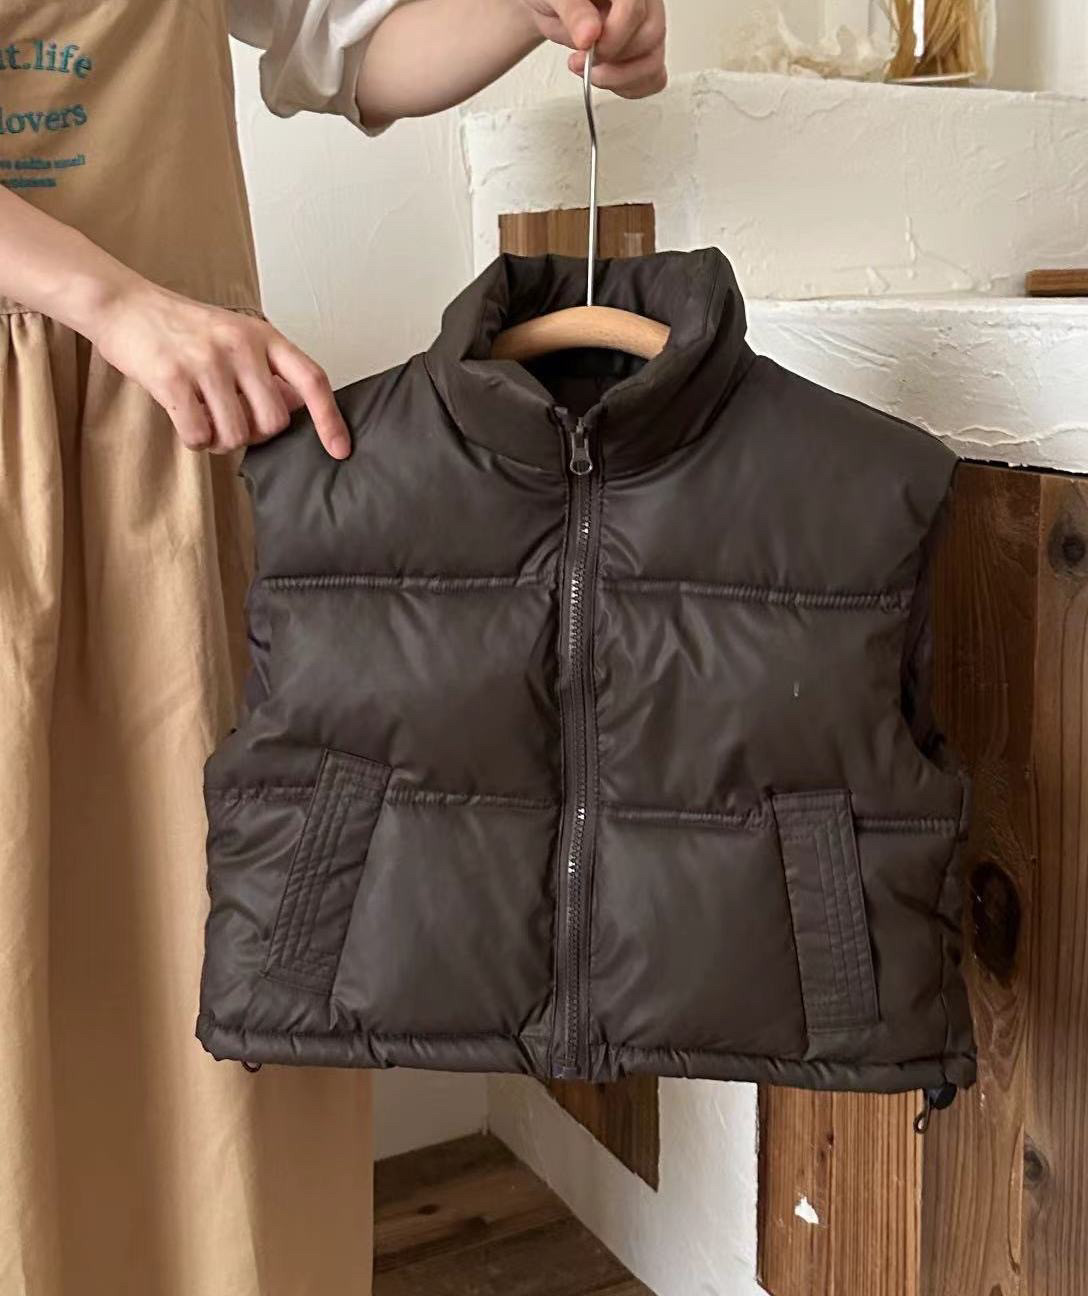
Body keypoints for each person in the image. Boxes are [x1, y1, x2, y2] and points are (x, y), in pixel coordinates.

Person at [0, 3, 666, 1293]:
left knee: (220, 943)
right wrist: (114, 301)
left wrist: (525, 10)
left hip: (169, 446)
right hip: (86, 396)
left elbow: (344, 38)